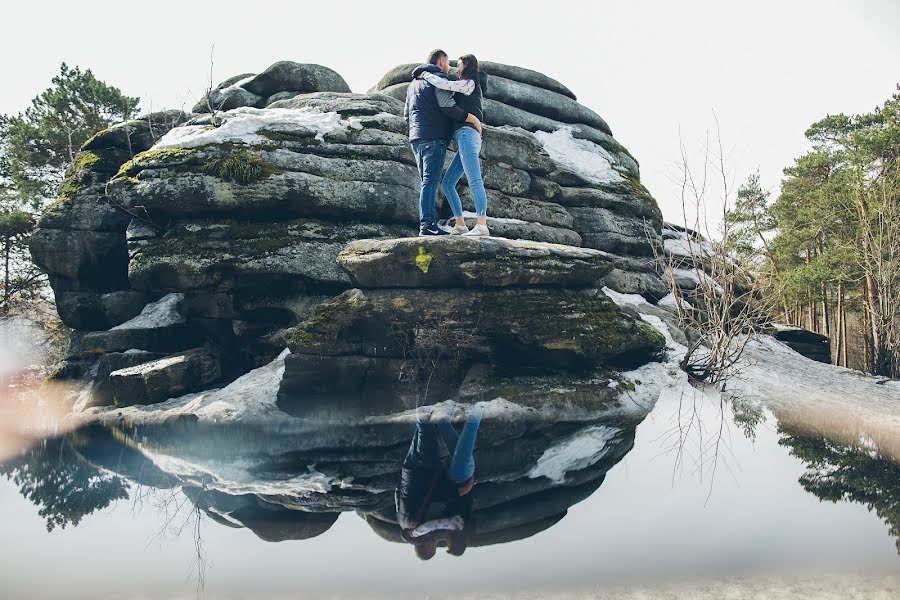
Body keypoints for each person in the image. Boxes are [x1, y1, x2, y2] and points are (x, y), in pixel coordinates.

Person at [404, 50, 483, 236]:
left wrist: (413, 132)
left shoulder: (412, 84)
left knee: (427, 182)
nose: (451, 69)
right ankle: (428, 225)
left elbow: (406, 113)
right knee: (432, 182)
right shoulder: (438, 78)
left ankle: (431, 225)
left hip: (416, 137)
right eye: (448, 63)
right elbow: (447, 105)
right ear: (441, 61)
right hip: (434, 137)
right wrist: (471, 118)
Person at [395, 401, 483, 559]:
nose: (438, 543)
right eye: (446, 545)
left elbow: (440, 504)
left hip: (431, 474)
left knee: (432, 424)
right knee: (430, 425)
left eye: (435, 547)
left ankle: (428, 390)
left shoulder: (420, 532)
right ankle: (477, 401)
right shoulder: (407, 525)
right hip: (423, 473)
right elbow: (397, 494)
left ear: (427, 548)